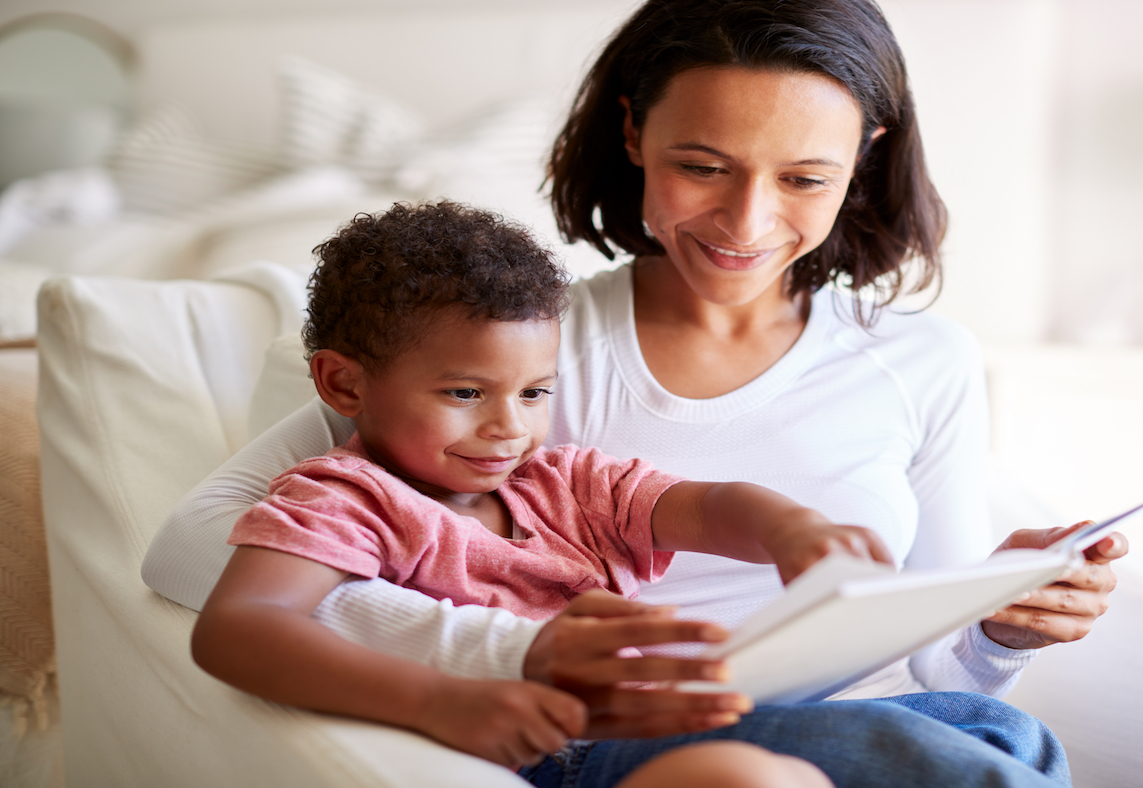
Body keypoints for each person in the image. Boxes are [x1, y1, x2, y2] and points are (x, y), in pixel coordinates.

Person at [143, 1, 1125, 785]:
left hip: (834, 711)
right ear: (633, 133)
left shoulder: (923, 361)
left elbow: (918, 653)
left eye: (802, 177)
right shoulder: (509, 345)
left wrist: (995, 622)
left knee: (994, 730)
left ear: (863, 155)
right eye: (702, 166)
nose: (746, 220)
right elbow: (195, 550)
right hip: (624, 730)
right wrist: (497, 652)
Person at [192, 201, 889, 787]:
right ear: (344, 385)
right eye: (465, 393)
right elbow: (238, 625)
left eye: (534, 393)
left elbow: (704, 507)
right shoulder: (349, 498)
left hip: (664, 724)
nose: (507, 427)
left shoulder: (565, 482)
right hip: (563, 751)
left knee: (984, 725)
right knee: (794, 772)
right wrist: (442, 701)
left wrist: (788, 530)